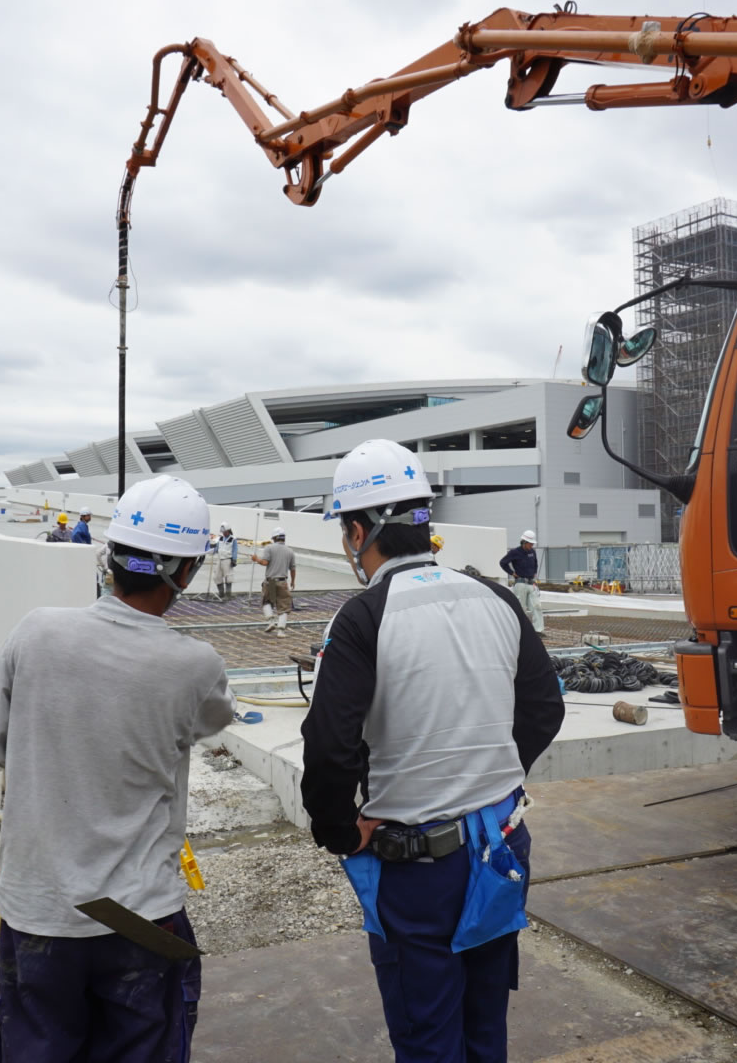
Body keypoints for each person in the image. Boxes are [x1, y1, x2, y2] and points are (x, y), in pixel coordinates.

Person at [301, 439, 564, 1062]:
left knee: (427, 1035)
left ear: (360, 531)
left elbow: (330, 747)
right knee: (483, 1025)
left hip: (418, 868)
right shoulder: (495, 598)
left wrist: (340, 831)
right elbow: (545, 709)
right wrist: (494, 781)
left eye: (347, 533)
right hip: (501, 848)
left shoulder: (363, 617)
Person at [0, 474, 233, 1063]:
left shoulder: (35, 630)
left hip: (38, 907)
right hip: (139, 915)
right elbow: (211, 721)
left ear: (108, 555)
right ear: (187, 572)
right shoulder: (195, 664)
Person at [499, 530, 545, 635]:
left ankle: (539, 630)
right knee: (521, 608)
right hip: (520, 584)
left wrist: (534, 574)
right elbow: (503, 563)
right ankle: (521, 631)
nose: (532, 545)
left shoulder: (532, 552)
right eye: (530, 543)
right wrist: (512, 573)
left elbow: (535, 564)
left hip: (530, 583)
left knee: (537, 606)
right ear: (524, 542)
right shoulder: (514, 552)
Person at [251, 527, 296, 632]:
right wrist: (293, 581)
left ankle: (271, 622)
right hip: (283, 582)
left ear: (274, 538)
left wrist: (256, 559)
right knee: (284, 606)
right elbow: (293, 569)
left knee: (267, 602)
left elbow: (264, 563)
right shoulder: (290, 551)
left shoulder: (269, 548)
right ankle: (281, 631)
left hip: (271, 582)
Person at [211, 523, 238, 601]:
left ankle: (228, 595)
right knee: (217, 576)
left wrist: (234, 559)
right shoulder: (220, 538)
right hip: (219, 559)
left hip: (227, 560)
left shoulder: (233, 539)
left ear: (228, 531)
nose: (224, 533)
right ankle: (221, 594)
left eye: (225, 532)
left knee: (228, 577)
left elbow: (235, 550)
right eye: (223, 532)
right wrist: (210, 550)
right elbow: (216, 548)